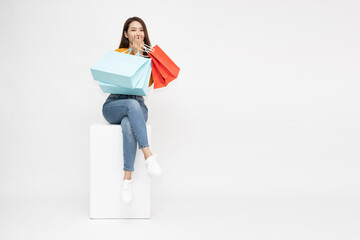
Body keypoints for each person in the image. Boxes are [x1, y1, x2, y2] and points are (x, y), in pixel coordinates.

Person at [102, 17, 162, 205]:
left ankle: (126, 180)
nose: (138, 33)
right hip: (115, 105)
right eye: (133, 30)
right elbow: (119, 83)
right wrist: (132, 54)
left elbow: (145, 85)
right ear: (126, 34)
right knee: (130, 106)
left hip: (137, 105)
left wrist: (141, 56)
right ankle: (148, 156)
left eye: (141, 30)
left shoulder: (148, 58)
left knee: (130, 121)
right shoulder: (118, 54)